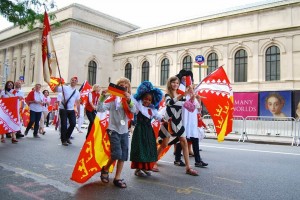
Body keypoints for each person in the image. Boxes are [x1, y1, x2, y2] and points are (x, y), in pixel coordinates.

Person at [154, 76, 199, 176]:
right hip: (168, 121)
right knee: (164, 144)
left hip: (179, 122)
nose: (175, 84)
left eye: (177, 83)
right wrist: (181, 95)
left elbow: (190, 108)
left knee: (184, 142)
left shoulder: (181, 95)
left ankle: (188, 167)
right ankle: (153, 162)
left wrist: (192, 98)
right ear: (170, 84)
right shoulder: (167, 94)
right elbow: (169, 103)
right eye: (173, 82)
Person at [97, 77, 136, 188]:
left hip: (124, 130)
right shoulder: (112, 99)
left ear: (128, 88)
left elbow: (133, 111)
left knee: (123, 156)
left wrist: (129, 101)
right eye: (121, 84)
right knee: (116, 154)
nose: (124, 85)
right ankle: (105, 168)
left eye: (126, 84)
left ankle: (117, 178)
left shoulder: (130, 99)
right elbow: (100, 109)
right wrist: (102, 97)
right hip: (113, 129)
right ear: (117, 87)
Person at [175, 70, 208, 168]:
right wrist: (187, 93)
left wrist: (194, 96)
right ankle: (177, 159)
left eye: (189, 79)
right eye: (185, 79)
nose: (188, 81)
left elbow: (197, 106)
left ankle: (198, 160)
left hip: (192, 118)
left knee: (195, 138)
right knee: (182, 139)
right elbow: (182, 103)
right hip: (184, 117)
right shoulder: (180, 90)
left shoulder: (193, 91)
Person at [130, 81, 163, 177]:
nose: (147, 101)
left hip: (148, 131)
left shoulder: (152, 110)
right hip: (139, 130)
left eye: (149, 100)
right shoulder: (138, 106)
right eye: (145, 99)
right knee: (140, 149)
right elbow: (132, 101)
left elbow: (159, 117)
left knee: (148, 148)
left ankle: (145, 167)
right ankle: (138, 168)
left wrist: (166, 119)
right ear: (142, 98)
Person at [55, 77, 80, 146]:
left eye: (75, 81)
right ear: (70, 81)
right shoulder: (64, 87)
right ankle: (63, 140)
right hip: (63, 109)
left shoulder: (77, 92)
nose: (73, 81)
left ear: (77, 82)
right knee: (64, 125)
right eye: (72, 80)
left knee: (73, 124)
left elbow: (78, 102)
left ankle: (67, 137)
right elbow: (55, 89)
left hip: (71, 109)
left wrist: (79, 112)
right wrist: (58, 83)